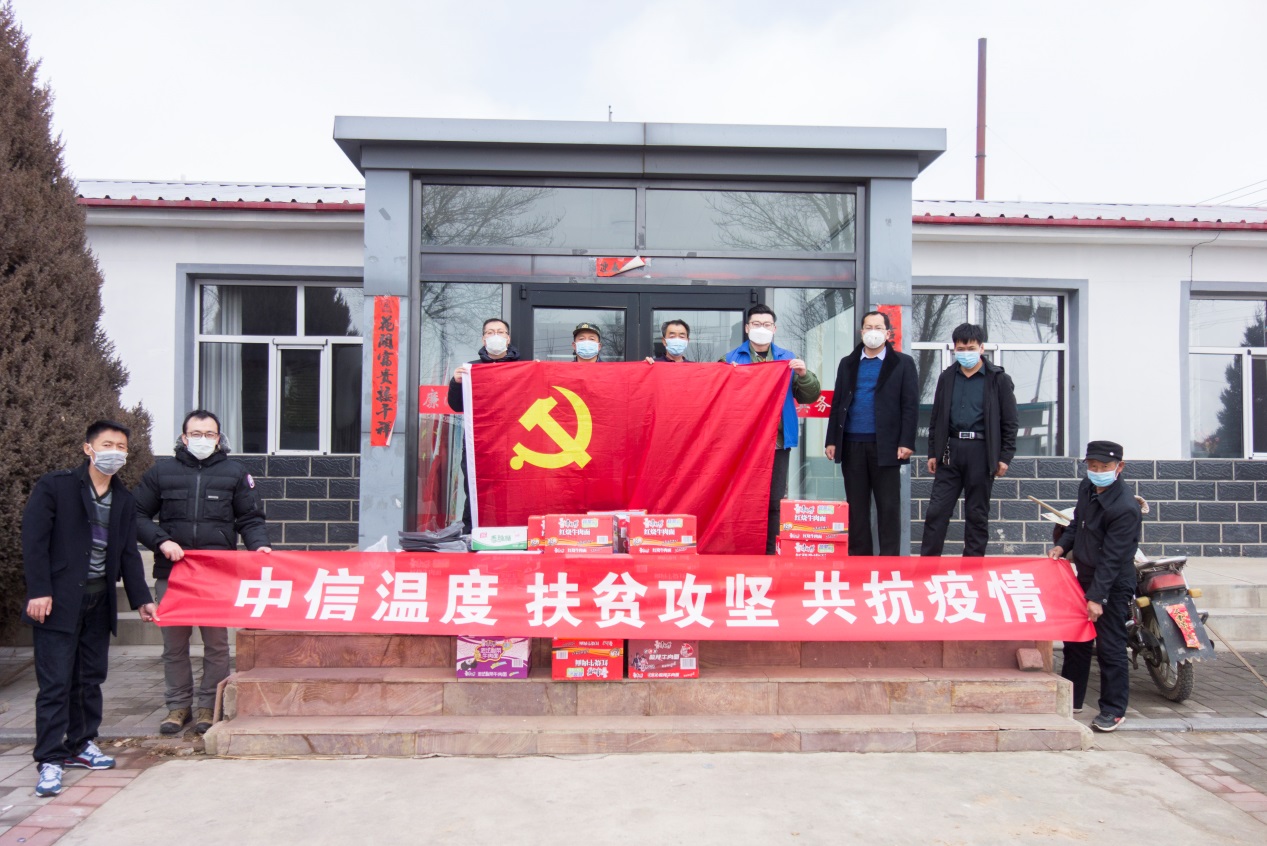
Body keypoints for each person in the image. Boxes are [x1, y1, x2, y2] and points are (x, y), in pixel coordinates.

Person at [23, 421, 158, 798]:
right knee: (56, 683)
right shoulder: (57, 486)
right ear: (88, 449)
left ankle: (81, 744)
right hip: (57, 601)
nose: (115, 451)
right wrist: (39, 590)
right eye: (107, 444)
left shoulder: (124, 499)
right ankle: (50, 758)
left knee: (89, 678)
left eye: (121, 446)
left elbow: (128, 553)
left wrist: (142, 599)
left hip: (99, 601)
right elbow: (34, 541)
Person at [134, 410, 271, 736]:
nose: (203, 440)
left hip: (216, 573)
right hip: (174, 573)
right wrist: (161, 541)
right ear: (184, 438)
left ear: (218, 438)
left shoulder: (234, 473)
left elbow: (250, 519)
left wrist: (260, 546)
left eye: (209, 434)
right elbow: (136, 514)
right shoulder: (161, 473)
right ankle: (177, 706)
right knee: (174, 645)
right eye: (196, 434)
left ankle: (211, 705)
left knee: (217, 644)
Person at [1048, 440, 1141, 732]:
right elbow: (1078, 522)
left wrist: (1097, 598)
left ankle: (1113, 710)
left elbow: (1113, 559)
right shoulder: (1087, 487)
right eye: (1093, 466)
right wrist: (1063, 546)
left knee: (1110, 645)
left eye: (1104, 467)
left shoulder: (1125, 507)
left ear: (1119, 467)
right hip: (1086, 573)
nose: (1098, 472)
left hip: (1113, 582)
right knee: (1076, 639)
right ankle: (1072, 698)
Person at [721, 304, 821, 553]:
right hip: (743, 443)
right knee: (742, 498)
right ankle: (741, 550)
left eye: (766, 324)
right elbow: (718, 397)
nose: (761, 328)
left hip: (777, 441)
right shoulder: (731, 359)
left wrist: (804, 375)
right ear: (747, 328)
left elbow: (809, 396)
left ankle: (770, 553)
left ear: (774, 328)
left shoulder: (787, 359)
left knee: (774, 500)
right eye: (756, 324)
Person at [824, 310, 918, 556]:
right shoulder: (848, 363)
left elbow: (910, 405)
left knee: (888, 507)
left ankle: (889, 562)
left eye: (878, 328)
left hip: (886, 446)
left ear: (888, 333)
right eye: (868, 327)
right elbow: (838, 403)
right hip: (852, 443)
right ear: (861, 331)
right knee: (856, 507)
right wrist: (832, 439)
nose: (872, 332)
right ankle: (859, 560)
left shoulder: (903, 363)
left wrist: (906, 441)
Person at [920, 323, 1018, 557]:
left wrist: (1005, 457)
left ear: (982, 348)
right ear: (954, 349)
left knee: (977, 513)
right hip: (950, 451)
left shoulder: (998, 379)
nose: (966, 353)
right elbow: (936, 418)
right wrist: (933, 451)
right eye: (961, 349)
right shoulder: (947, 377)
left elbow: (1010, 422)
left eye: (971, 348)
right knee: (937, 511)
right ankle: (927, 565)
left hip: (981, 451)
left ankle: (973, 566)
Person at [448, 318, 521, 532]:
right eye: (490, 332)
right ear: (483, 339)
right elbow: (456, 405)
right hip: (478, 445)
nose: (495, 335)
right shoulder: (471, 369)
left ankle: (514, 534)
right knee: (475, 491)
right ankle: (472, 535)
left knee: (513, 491)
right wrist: (455, 383)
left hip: (513, 444)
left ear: (508, 338)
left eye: (500, 332)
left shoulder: (520, 369)